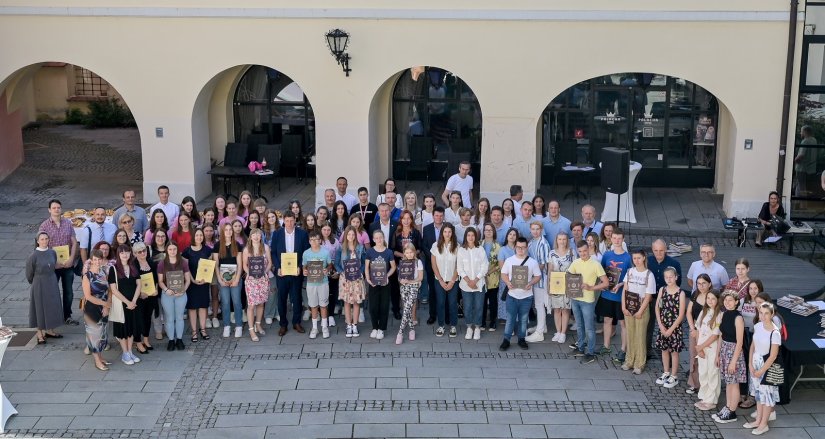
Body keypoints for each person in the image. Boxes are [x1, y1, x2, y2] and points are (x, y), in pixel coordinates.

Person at [567, 240, 609, 364]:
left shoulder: (595, 264)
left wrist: (591, 287)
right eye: (580, 251)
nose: (583, 253)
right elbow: (569, 277)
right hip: (575, 299)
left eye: (585, 251)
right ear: (577, 251)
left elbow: (605, 283)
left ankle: (590, 353)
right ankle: (580, 348)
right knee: (579, 325)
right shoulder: (575, 262)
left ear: (589, 249)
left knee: (589, 328)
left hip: (588, 301)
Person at [39, 199, 79, 325]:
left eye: (58, 207)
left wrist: (72, 258)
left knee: (69, 292)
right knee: (52, 292)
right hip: (53, 266)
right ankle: (54, 317)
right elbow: (41, 246)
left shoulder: (68, 223)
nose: (57, 209)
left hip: (67, 264)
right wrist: (53, 262)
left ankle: (67, 315)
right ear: (49, 210)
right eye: (54, 208)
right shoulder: (44, 226)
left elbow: (74, 242)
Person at [271, 211, 310, 336]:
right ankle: (283, 324)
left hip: (296, 272)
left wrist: (300, 266)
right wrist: (277, 267)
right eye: (286, 221)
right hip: (282, 272)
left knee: (296, 297)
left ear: (295, 220)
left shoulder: (302, 234)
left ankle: (296, 322)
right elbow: (273, 252)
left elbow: (306, 252)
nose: (289, 223)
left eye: (291, 220)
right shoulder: (277, 234)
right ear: (283, 221)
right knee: (282, 299)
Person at [499, 237, 542, 351]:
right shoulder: (509, 260)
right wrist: (508, 282)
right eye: (518, 247)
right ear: (515, 247)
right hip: (512, 295)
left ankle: (521, 339)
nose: (521, 250)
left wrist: (531, 283)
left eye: (523, 247)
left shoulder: (532, 262)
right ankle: (506, 340)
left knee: (523, 319)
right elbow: (503, 273)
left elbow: (538, 276)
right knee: (510, 319)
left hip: (526, 296)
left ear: (526, 248)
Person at [746, 303, 782, 435]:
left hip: (767, 366)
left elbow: (773, 356)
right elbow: (753, 346)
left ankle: (763, 424)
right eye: (761, 313)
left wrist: (761, 371)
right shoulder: (757, 326)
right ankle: (758, 420)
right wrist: (750, 363)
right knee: (758, 394)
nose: (763, 316)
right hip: (755, 362)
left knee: (767, 396)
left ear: (772, 314)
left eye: (766, 313)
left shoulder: (775, 332)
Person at [713, 291, 747, 424]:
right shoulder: (725, 314)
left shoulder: (738, 318)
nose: (727, 302)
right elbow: (721, 335)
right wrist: (717, 354)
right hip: (724, 349)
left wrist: (733, 361)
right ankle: (727, 407)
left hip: (734, 351)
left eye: (731, 300)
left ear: (737, 302)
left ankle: (732, 411)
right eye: (726, 300)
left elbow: (740, 342)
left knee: (734, 383)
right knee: (728, 382)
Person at [620, 249, 656, 375]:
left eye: (639, 258)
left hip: (641, 307)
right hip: (629, 306)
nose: (637, 261)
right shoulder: (630, 272)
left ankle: (639, 363)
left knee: (640, 336)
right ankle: (629, 360)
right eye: (634, 258)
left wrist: (641, 311)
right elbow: (625, 290)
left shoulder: (649, 275)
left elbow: (648, 296)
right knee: (630, 334)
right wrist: (623, 306)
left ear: (644, 258)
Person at [599, 228, 632, 361]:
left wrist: (621, 285)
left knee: (623, 323)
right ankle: (606, 346)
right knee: (607, 320)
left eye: (619, 238)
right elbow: (601, 272)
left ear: (623, 240)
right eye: (614, 238)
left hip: (621, 296)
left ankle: (623, 349)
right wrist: (602, 284)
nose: (617, 241)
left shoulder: (628, 258)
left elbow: (630, 277)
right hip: (607, 295)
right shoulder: (607, 255)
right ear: (611, 239)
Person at [27, 232, 65, 343]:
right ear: (38, 241)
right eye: (42, 239)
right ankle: (39, 333)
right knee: (39, 308)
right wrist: (36, 283)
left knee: (52, 306)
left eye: (46, 239)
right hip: (39, 284)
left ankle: (49, 330)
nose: (44, 241)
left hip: (52, 282)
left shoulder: (52, 252)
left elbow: (53, 266)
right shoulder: (33, 256)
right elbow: (29, 274)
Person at [653, 267, 687, 389]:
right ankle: (666, 372)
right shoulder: (662, 290)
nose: (669, 279)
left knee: (674, 351)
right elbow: (657, 307)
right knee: (664, 350)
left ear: (676, 277)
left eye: (671, 277)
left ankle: (674, 375)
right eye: (666, 277)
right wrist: (661, 325)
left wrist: (671, 329)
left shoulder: (680, 293)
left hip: (674, 327)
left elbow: (681, 314)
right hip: (663, 325)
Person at [110, 244, 143, 364]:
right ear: (118, 254)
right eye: (122, 252)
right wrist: (127, 302)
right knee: (123, 330)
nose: (125, 255)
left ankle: (130, 351)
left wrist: (133, 301)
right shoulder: (113, 269)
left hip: (133, 303)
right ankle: (125, 353)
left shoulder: (133, 267)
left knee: (131, 328)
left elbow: (139, 284)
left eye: (127, 252)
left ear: (130, 254)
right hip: (121, 303)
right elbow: (113, 289)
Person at [647, 239, 683, 348]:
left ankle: (669, 353)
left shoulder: (674, 263)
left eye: (661, 250)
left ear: (666, 249)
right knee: (648, 326)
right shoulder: (647, 261)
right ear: (652, 250)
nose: (658, 253)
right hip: (650, 298)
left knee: (669, 325)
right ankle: (646, 351)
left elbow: (679, 282)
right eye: (656, 250)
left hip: (668, 300)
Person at [158, 242, 191, 351]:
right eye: (170, 249)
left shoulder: (183, 262)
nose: (172, 251)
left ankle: (180, 339)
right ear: (167, 250)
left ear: (177, 250)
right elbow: (160, 281)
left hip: (181, 294)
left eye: (174, 249)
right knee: (169, 318)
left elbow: (188, 280)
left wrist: (183, 290)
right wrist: (166, 290)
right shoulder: (162, 263)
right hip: (167, 294)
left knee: (180, 317)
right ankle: (171, 340)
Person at [82, 249, 112, 371]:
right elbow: (88, 296)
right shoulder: (87, 276)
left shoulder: (104, 272)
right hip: (92, 308)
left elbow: (110, 290)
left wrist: (106, 306)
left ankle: (100, 357)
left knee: (103, 333)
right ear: (91, 260)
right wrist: (104, 303)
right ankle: (97, 361)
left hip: (104, 306)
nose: (97, 261)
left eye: (99, 259)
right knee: (94, 335)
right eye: (95, 259)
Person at [457, 227, 488, 340]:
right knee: (468, 307)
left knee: (479, 306)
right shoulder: (461, 250)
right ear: (465, 236)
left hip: (479, 284)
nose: (471, 237)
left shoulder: (480, 250)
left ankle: (477, 328)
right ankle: (469, 327)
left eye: (473, 235)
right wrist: (469, 281)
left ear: (476, 237)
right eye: (468, 235)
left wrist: (475, 280)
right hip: (466, 285)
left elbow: (485, 267)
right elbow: (460, 269)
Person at [694, 289, 722, 411]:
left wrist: (702, 346)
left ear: (718, 300)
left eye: (713, 299)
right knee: (703, 372)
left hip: (712, 348)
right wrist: (698, 347)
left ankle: (711, 400)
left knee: (712, 373)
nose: (710, 301)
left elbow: (715, 335)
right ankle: (704, 397)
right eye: (708, 298)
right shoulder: (703, 312)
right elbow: (699, 331)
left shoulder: (719, 314)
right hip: (701, 348)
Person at [365, 229, 397, 340]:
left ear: (383, 238)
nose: (379, 239)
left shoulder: (388, 252)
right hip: (373, 282)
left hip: (385, 283)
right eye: (376, 238)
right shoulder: (370, 251)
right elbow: (366, 267)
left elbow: (393, 267)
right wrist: (368, 278)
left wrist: (386, 276)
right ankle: (374, 327)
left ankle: (381, 329)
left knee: (384, 306)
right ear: (373, 240)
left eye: (380, 237)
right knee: (373, 306)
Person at [336, 226, 366, 337]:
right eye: (349, 234)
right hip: (345, 279)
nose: (351, 236)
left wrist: (361, 271)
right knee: (347, 302)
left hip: (357, 278)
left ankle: (355, 325)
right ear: (345, 235)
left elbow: (364, 262)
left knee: (356, 302)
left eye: (353, 234)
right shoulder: (341, 248)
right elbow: (337, 264)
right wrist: (341, 272)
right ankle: (348, 325)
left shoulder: (361, 247)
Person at [215, 223, 244, 338]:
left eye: (230, 229)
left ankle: (239, 326)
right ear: (222, 232)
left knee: (237, 302)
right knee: (225, 303)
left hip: (235, 278)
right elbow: (216, 265)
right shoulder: (217, 246)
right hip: (222, 279)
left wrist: (237, 279)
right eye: (226, 230)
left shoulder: (237, 245)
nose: (228, 231)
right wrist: (220, 279)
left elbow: (240, 264)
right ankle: (226, 326)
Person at [183, 228, 212, 343]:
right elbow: (186, 269)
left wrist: (206, 279)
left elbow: (210, 267)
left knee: (203, 306)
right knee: (192, 307)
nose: (199, 237)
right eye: (197, 235)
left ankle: (203, 329)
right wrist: (192, 280)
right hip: (191, 283)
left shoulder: (208, 250)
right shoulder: (187, 251)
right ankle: (194, 331)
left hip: (204, 283)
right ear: (193, 237)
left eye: (201, 235)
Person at [302, 231, 333, 339]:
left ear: (320, 240)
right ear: (309, 241)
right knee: (313, 306)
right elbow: (304, 266)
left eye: (317, 239)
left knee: (323, 306)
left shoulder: (325, 252)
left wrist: (327, 269)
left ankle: (324, 327)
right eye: (312, 240)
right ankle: (315, 328)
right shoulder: (306, 253)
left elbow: (330, 264)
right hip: (311, 283)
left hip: (323, 283)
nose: (315, 242)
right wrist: (304, 271)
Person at [244, 228, 272, 341]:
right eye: (254, 235)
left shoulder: (265, 248)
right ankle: (251, 330)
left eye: (258, 235)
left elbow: (270, 262)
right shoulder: (247, 250)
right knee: (251, 305)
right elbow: (244, 265)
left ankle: (258, 324)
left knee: (261, 304)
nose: (256, 236)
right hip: (251, 280)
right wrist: (250, 273)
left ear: (261, 236)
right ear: (250, 237)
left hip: (263, 279)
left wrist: (265, 272)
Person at [431, 223, 459, 337]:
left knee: (452, 303)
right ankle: (441, 326)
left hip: (453, 280)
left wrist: (452, 281)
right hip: (439, 280)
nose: (447, 234)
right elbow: (433, 264)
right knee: (441, 303)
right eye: (445, 232)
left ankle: (453, 326)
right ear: (442, 233)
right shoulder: (436, 245)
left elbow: (459, 265)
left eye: (449, 232)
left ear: (452, 233)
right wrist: (441, 280)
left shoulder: (457, 246)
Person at [686, 273, 713, 394]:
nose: (701, 286)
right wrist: (692, 329)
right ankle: (694, 383)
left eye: (704, 283)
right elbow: (688, 312)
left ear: (709, 284)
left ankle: (705, 384)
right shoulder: (695, 294)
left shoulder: (712, 297)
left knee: (706, 357)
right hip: (695, 329)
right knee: (693, 356)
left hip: (708, 331)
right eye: (698, 284)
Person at [525, 221, 550, 344]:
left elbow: (543, 264)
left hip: (540, 279)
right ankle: (542, 326)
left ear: (541, 230)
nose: (535, 231)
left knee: (540, 305)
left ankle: (539, 333)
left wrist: (532, 275)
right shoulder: (531, 243)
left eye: (537, 229)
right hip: (534, 279)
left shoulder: (543, 244)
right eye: (533, 229)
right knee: (537, 305)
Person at [548, 232, 574, 344]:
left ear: (567, 240)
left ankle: (563, 333)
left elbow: (575, 269)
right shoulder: (552, 253)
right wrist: (549, 284)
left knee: (566, 309)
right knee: (557, 309)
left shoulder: (572, 252)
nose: (562, 241)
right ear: (556, 240)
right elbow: (550, 269)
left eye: (564, 239)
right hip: (556, 283)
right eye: (560, 239)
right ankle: (558, 331)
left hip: (568, 284)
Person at [132, 242, 157, 353]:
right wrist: (140, 292)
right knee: (138, 319)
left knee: (147, 318)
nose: (143, 253)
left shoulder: (151, 262)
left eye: (144, 250)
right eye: (139, 252)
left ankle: (146, 340)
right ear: (135, 253)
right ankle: (138, 342)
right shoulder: (133, 265)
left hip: (151, 296)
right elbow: (132, 282)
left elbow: (155, 278)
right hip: (139, 297)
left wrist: (156, 289)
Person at [397, 243, 423, 344]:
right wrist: (402, 281)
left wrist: (409, 281)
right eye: (407, 252)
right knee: (406, 309)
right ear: (404, 253)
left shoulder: (418, 262)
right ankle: (411, 329)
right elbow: (399, 277)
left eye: (411, 252)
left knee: (407, 307)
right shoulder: (402, 262)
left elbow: (420, 278)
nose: (409, 254)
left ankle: (400, 332)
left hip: (414, 286)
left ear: (414, 252)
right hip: (404, 287)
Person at [422, 207, 445, 325]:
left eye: (441, 216)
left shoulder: (448, 228)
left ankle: (445, 314)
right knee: (433, 290)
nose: (439, 218)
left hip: (446, 265)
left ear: (444, 216)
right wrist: (433, 257)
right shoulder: (426, 229)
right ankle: (432, 314)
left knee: (445, 289)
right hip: (431, 264)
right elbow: (424, 246)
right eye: (436, 215)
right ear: (433, 216)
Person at [480, 223, 502, 331]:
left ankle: (493, 322)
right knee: (482, 301)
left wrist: (489, 271)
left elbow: (500, 263)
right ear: (483, 232)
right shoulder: (479, 244)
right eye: (486, 230)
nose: (488, 232)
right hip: (481, 277)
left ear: (493, 232)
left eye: (490, 230)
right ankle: (482, 322)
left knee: (493, 301)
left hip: (493, 277)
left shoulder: (498, 246)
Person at [148, 229, 169, 340]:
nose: (160, 238)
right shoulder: (150, 250)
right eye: (158, 236)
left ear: (166, 237)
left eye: (163, 236)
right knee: (156, 308)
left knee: (167, 308)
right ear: (154, 238)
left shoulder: (170, 249)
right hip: (153, 283)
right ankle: (158, 330)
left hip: (167, 284)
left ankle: (167, 328)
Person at [320, 224, 341, 327]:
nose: (326, 232)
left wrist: (337, 271)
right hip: (320, 270)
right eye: (324, 229)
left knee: (332, 293)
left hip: (332, 269)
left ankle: (331, 315)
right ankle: (323, 315)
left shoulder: (335, 241)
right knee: (322, 293)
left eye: (328, 230)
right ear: (321, 230)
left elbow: (339, 256)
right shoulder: (318, 241)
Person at [262, 210, 281, 325]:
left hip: (280, 263)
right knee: (271, 290)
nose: (271, 219)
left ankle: (278, 312)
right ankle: (269, 313)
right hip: (269, 264)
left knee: (279, 290)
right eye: (269, 217)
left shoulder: (281, 230)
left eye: (273, 216)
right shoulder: (264, 233)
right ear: (266, 219)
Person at [497, 228, 519, 323]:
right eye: (510, 234)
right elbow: (502, 267)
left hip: (519, 279)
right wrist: (508, 279)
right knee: (508, 302)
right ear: (507, 236)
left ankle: (518, 320)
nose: (512, 236)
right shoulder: (502, 249)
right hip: (506, 279)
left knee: (518, 301)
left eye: (514, 235)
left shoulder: (520, 248)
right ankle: (509, 322)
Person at [793, 125, 818, 198]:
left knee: (801, 187)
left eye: (801, 131)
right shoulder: (814, 140)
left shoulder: (805, 141)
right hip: (811, 169)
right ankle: (803, 204)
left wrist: (793, 161)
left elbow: (801, 155)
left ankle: (801, 205)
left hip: (802, 169)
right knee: (806, 187)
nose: (800, 133)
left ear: (805, 132)